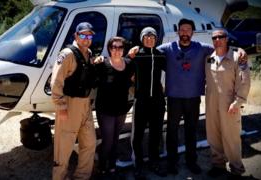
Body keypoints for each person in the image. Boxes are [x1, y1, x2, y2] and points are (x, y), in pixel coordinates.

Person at [129, 18, 247, 175]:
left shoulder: (202, 48)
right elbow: (150, 48)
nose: (185, 33)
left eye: (188, 30)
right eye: (182, 30)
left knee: (191, 131)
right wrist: (135, 49)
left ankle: (191, 162)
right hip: (174, 98)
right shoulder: (167, 48)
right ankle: (172, 163)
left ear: (193, 32)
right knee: (172, 132)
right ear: (178, 32)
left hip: (193, 98)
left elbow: (220, 46)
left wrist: (239, 49)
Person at [50, 22, 96, 180]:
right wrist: (61, 107)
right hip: (70, 105)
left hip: (85, 104)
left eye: (89, 36)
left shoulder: (88, 53)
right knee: (64, 147)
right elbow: (56, 82)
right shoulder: (67, 54)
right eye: (83, 35)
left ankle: (82, 176)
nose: (86, 39)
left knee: (89, 143)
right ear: (76, 36)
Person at [205, 28, 250, 179]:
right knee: (214, 136)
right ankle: (218, 165)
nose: (217, 40)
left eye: (221, 37)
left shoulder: (238, 57)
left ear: (226, 38)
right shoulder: (209, 58)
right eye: (214, 38)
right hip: (212, 105)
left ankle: (236, 170)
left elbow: (244, 82)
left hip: (230, 105)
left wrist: (237, 103)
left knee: (231, 138)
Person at [94, 36, 134, 178]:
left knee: (115, 139)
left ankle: (112, 166)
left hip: (121, 108)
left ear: (124, 49)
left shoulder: (129, 64)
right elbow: (88, 70)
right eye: (114, 47)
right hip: (105, 110)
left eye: (120, 47)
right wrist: (95, 59)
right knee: (108, 141)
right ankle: (101, 168)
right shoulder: (102, 64)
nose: (117, 50)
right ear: (109, 49)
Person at [130, 27, 167, 179]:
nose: (150, 39)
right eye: (146, 37)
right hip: (141, 101)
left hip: (157, 101)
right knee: (137, 134)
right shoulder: (136, 55)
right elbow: (125, 69)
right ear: (142, 38)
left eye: (152, 37)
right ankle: (138, 164)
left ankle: (154, 162)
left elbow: (175, 68)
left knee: (156, 133)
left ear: (156, 39)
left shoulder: (160, 56)